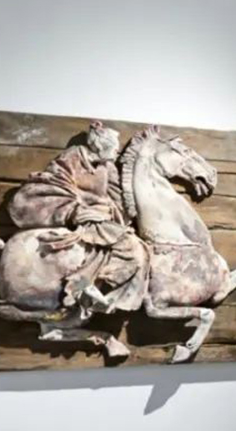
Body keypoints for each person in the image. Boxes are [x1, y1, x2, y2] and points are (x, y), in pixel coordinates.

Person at [8, 121, 148, 314]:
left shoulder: (107, 166)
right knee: (128, 247)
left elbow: (117, 193)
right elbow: (58, 180)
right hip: (78, 213)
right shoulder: (74, 156)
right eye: (115, 148)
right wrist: (76, 209)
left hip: (102, 216)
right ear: (101, 145)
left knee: (126, 245)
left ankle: (93, 288)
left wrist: (123, 211)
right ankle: (85, 286)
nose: (116, 153)